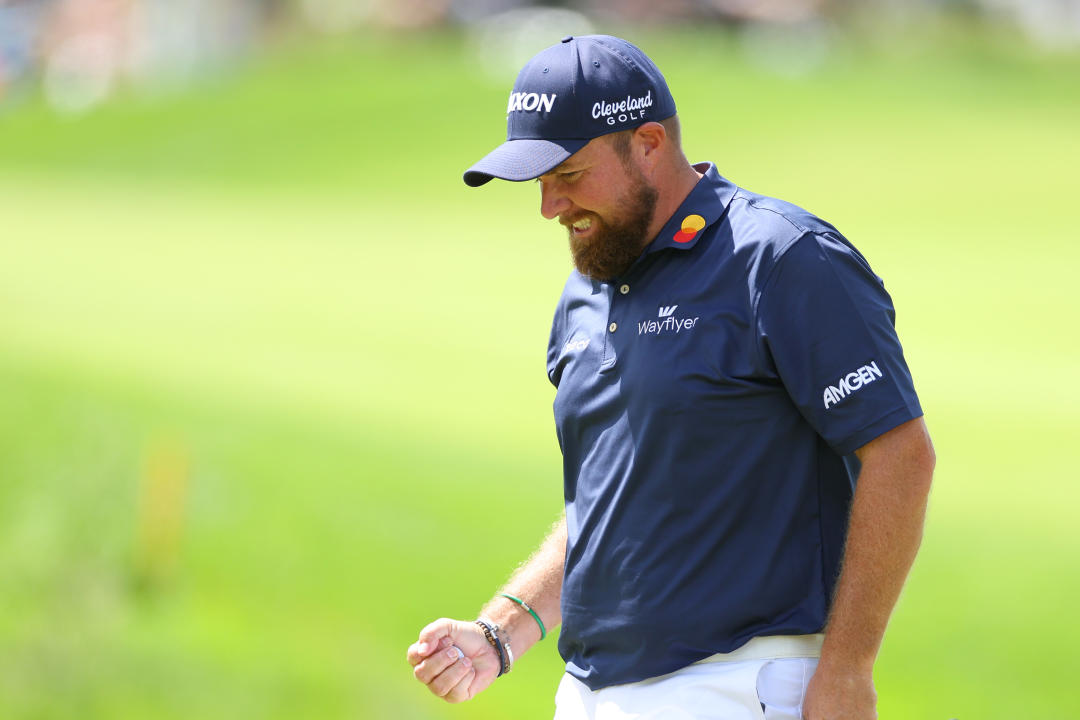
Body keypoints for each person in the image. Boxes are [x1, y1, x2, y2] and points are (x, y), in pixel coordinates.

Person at [406, 34, 935, 720]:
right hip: (590, 692)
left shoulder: (781, 259)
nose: (549, 207)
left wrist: (847, 671)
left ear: (649, 142)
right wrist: (499, 634)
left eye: (567, 174)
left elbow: (900, 453)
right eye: (538, 183)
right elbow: (616, 499)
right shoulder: (588, 290)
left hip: (737, 685)